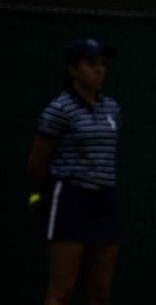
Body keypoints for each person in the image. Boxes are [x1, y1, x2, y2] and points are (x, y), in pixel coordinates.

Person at [27, 38, 121, 305]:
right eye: (91, 64)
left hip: (104, 201)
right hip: (70, 200)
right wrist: (47, 194)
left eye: (103, 64)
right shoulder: (59, 110)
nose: (99, 70)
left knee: (100, 290)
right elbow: (37, 162)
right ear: (73, 70)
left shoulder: (112, 108)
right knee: (62, 290)